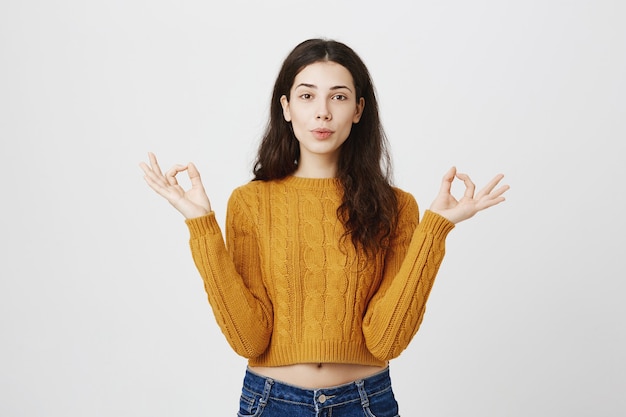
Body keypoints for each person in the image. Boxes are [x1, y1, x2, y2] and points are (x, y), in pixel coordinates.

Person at [140, 38, 509, 417]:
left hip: (365, 403)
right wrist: (201, 226)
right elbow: (248, 338)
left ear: (358, 109)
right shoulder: (250, 203)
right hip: (271, 402)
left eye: (338, 97)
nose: (322, 113)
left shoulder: (396, 207)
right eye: (306, 96)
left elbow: (386, 341)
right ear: (285, 107)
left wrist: (436, 230)